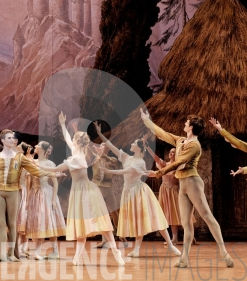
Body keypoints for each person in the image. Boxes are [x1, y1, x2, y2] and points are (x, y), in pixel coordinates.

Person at [143, 109, 233, 268]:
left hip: (193, 182)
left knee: (207, 215)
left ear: (191, 127)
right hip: (182, 184)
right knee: (185, 222)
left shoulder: (195, 146)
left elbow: (180, 162)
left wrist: (158, 173)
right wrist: (147, 122)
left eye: (186, 123)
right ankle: (184, 259)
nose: (184, 124)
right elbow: (164, 134)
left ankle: (224, 253)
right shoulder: (181, 140)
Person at [39, 113, 125, 266]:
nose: (71, 141)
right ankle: (78, 257)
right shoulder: (76, 152)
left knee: (101, 222)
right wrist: (63, 125)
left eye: (74, 139)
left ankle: (115, 251)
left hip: (85, 192)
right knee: (82, 226)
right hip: (79, 191)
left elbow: (57, 168)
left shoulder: (76, 158)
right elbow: (67, 139)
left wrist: (35, 165)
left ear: (77, 142)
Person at [94, 122, 181, 257]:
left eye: (134, 144)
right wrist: (100, 134)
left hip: (139, 193)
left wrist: (108, 170)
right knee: (137, 221)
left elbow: (126, 171)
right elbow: (111, 146)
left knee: (155, 217)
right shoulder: (126, 157)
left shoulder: (140, 162)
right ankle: (136, 249)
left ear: (139, 149)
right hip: (128, 192)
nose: (131, 145)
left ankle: (170, 244)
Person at [0, 130, 47, 262]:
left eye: (12, 138)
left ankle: (12, 254)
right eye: (9, 138)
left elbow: (35, 170)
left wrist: (53, 174)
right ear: (3, 141)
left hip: (14, 191)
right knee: (1, 223)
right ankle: (1, 254)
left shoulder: (19, 157)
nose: (12, 140)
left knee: (12, 224)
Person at [26, 141, 66, 260]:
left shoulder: (50, 163)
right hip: (35, 194)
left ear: (42, 150)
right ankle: (54, 251)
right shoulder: (33, 162)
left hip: (46, 194)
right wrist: (28, 197)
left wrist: (54, 200)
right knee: (42, 222)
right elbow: (29, 182)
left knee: (46, 223)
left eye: (37, 145)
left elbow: (55, 183)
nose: (35, 146)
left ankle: (40, 252)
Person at [90, 142, 124, 248]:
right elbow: (86, 149)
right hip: (97, 188)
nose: (102, 147)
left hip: (108, 188)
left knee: (115, 212)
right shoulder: (93, 158)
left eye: (104, 146)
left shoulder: (112, 160)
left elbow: (116, 164)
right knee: (101, 214)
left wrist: (102, 154)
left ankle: (121, 234)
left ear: (108, 149)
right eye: (101, 145)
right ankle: (104, 239)